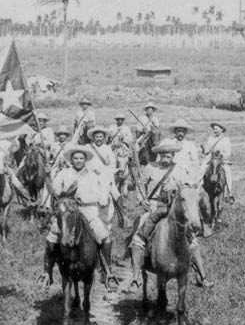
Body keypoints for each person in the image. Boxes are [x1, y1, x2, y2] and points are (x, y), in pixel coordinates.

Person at [129, 139, 214, 289]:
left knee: (192, 238)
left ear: (173, 156)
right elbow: (140, 185)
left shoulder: (179, 170)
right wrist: (142, 200)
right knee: (138, 236)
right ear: (159, 156)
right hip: (154, 205)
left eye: (168, 156)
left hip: (174, 207)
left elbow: (188, 188)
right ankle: (136, 277)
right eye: (163, 156)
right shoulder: (150, 168)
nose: (165, 159)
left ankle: (202, 275)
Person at [37, 145, 116, 287]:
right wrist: (48, 176)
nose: (78, 161)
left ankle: (108, 272)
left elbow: (98, 194)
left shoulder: (92, 174)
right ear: (71, 160)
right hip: (67, 211)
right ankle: (46, 273)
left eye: (81, 158)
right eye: (75, 158)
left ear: (85, 160)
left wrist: (83, 198)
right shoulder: (64, 173)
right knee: (51, 238)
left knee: (105, 237)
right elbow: (55, 190)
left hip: (88, 211)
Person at [199, 122, 234, 203]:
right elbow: (206, 151)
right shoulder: (210, 139)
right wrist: (203, 149)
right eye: (214, 129)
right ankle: (198, 188)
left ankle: (230, 194)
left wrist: (220, 155)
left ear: (221, 130)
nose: (215, 130)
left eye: (216, 129)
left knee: (227, 173)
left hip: (221, 160)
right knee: (201, 169)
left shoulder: (225, 140)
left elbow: (228, 153)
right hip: (211, 159)